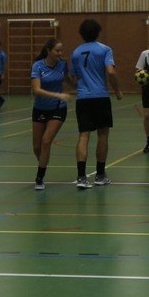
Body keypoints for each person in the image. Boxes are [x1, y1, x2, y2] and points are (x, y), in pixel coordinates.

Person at [70, 19, 122, 188]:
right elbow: (110, 72)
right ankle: (100, 175)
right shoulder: (105, 49)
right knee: (103, 134)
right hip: (100, 96)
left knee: (83, 135)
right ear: (98, 32)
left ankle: (81, 177)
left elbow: (74, 79)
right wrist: (117, 90)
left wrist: (82, 86)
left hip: (82, 98)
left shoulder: (76, 53)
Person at [30, 38, 74, 190]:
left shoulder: (62, 65)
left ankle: (39, 177)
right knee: (37, 147)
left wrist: (80, 85)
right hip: (40, 108)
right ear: (49, 51)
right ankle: (43, 163)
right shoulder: (38, 66)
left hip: (58, 108)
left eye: (61, 51)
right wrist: (58, 95)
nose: (60, 53)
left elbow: (68, 80)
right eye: (57, 50)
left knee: (46, 141)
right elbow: (36, 90)